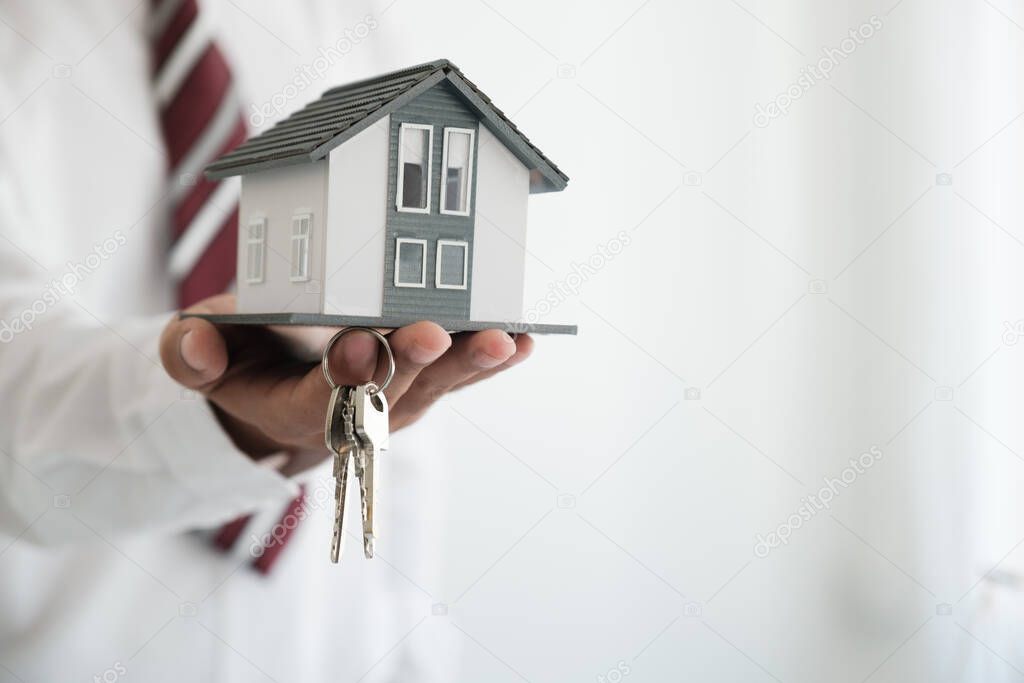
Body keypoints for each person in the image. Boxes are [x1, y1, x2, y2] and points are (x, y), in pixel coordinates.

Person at [0, 1, 529, 680]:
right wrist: (229, 417)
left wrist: (412, 646)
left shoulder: (348, 23)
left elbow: (410, 434)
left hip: (334, 647)